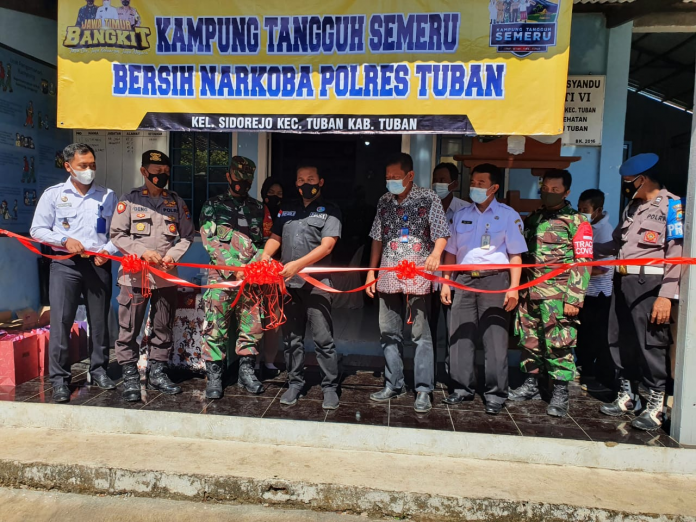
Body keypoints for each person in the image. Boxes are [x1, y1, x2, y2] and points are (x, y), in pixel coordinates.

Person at [596, 153, 682, 431]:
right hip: (622, 280)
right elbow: (615, 244)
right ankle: (628, 396)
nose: (625, 186)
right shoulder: (632, 208)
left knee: (651, 343)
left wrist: (666, 296)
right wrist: (585, 249)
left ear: (642, 179)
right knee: (620, 338)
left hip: (650, 284)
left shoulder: (673, 206)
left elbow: (676, 256)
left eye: (628, 181)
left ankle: (656, 405)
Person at [30, 143, 119, 402]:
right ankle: (60, 380)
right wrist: (64, 240)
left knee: (99, 322)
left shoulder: (107, 196)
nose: (89, 170)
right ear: (68, 166)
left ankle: (99, 370)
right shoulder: (54, 195)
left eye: (92, 165)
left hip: (98, 264)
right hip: (65, 265)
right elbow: (37, 230)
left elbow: (118, 233)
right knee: (62, 322)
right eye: (83, 165)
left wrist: (107, 251)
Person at [366, 153, 449, 413]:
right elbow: (377, 238)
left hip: (418, 276)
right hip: (388, 274)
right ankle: (394, 384)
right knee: (388, 332)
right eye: (387, 177)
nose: (390, 181)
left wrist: (436, 255)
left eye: (395, 176)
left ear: (410, 175)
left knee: (421, 336)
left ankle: (423, 389)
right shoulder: (384, 201)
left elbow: (441, 233)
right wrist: (371, 272)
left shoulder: (428, 198)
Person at [440, 163, 527, 414]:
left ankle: (496, 395)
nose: (475, 187)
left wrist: (513, 288)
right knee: (460, 336)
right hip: (463, 281)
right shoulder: (461, 215)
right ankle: (461, 389)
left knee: (495, 339)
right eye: (473, 182)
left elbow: (516, 255)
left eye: (481, 183)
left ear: (494, 187)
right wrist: (446, 282)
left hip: (495, 281)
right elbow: (450, 252)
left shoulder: (508, 215)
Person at [110, 150, 195, 402]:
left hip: (165, 277)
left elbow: (187, 236)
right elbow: (117, 234)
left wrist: (173, 256)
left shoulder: (176, 202)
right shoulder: (129, 200)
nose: (162, 176)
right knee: (129, 328)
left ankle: (157, 372)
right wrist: (142, 252)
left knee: (162, 327)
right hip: (134, 277)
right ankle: (130, 375)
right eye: (157, 172)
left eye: (166, 172)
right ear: (144, 172)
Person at [508, 169, 592, 417]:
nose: (549, 193)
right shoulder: (534, 218)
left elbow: (583, 261)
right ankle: (531, 384)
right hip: (530, 292)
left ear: (567, 192)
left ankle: (560, 392)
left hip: (558, 294)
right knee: (529, 340)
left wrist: (574, 298)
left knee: (559, 343)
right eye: (545, 188)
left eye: (555, 189)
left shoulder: (578, 221)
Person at [262, 163, 342, 410]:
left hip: (317, 285)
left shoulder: (331, 210)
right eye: (300, 179)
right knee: (292, 339)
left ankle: (330, 387)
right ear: (296, 183)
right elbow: (275, 238)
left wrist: (297, 264)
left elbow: (327, 246)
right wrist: (264, 258)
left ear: (320, 182)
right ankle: (294, 383)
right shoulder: (287, 209)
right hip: (289, 285)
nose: (305, 183)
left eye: (310, 179)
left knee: (323, 339)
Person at [199, 156, 266, 399]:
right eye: (238, 178)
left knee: (252, 326)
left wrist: (254, 266)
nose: (242, 183)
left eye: (247, 180)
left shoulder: (258, 208)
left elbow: (264, 243)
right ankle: (215, 376)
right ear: (229, 176)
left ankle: (246, 373)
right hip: (221, 278)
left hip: (251, 279)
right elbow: (210, 242)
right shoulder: (212, 206)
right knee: (215, 327)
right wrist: (235, 268)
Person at [429, 162, 470, 381]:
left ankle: (452, 375)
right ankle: (428, 375)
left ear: (454, 184)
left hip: (454, 280)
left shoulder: (465, 210)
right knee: (427, 329)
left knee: (454, 329)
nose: (438, 184)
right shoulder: (425, 207)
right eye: (435, 179)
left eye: (443, 180)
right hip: (427, 279)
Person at [576, 189, 615, 389]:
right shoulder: (583, 227)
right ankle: (585, 369)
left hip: (598, 292)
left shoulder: (604, 231)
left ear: (598, 210)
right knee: (583, 334)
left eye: (585, 210)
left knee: (597, 336)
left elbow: (601, 269)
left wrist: (572, 271)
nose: (581, 213)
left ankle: (599, 377)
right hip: (584, 291)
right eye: (579, 209)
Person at [258, 176, 286, 376]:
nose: (275, 197)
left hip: (278, 273)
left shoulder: (287, 215)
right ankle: (251, 360)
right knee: (252, 318)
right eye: (271, 193)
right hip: (256, 270)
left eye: (279, 194)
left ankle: (269, 361)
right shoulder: (255, 211)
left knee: (272, 318)